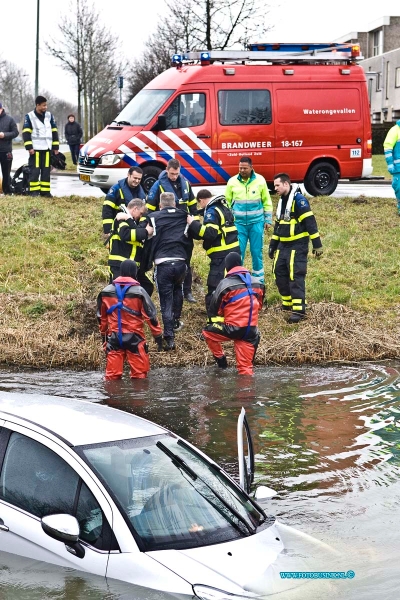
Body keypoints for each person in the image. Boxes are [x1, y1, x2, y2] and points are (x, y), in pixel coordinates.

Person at [268, 173, 323, 324]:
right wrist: (273, 245)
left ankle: (299, 311)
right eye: (275, 186)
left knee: (295, 277)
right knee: (279, 274)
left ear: (286, 184)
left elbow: (310, 221)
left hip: (297, 245)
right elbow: (278, 226)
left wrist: (317, 244)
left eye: (277, 185)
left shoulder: (299, 200)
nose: (275, 188)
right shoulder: (282, 201)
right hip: (282, 245)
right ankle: (287, 305)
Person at [97, 259, 163, 380]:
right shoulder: (140, 292)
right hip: (135, 338)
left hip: (114, 338)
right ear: (134, 272)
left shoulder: (105, 292)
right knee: (139, 376)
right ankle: (137, 398)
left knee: (111, 377)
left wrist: (104, 336)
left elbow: (102, 317)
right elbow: (151, 317)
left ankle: (112, 398)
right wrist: (158, 337)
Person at [202, 252, 264, 376]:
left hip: (232, 329)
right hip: (251, 332)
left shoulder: (225, 284)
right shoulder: (258, 283)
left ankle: (221, 361)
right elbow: (259, 305)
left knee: (207, 332)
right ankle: (247, 393)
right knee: (245, 370)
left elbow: (214, 309)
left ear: (227, 267)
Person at [146, 158, 198, 303]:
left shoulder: (185, 184)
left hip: (183, 226)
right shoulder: (158, 185)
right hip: (166, 227)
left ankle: (187, 291)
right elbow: (150, 208)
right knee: (167, 258)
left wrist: (194, 222)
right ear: (167, 170)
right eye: (172, 174)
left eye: (176, 174)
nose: (174, 177)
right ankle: (165, 286)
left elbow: (192, 204)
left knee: (186, 258)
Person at [150, 192, 193, 351]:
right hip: (181, 263)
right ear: (175, 204)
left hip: (163, 264)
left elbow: (148, 238)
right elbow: (191, 237)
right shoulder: (185, 215)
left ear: (160, 205)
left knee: (165, 301)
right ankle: (175, 321)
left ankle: (169, 337)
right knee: (178, 291)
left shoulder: (154, 217)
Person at [187, 189, 239, 316]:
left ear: (201, 200)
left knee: (215, 286)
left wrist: (192, 223)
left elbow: (209, 233)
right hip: (232, 252)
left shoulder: (211, 211)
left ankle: (214, 320)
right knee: (231, 284)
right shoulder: (221, 207)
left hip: (221, 255)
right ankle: (231, 312)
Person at [225, 156, 273, 283]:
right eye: (240, 168)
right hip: (238, 225)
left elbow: (267, 201)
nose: (242, 170)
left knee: (256, 253)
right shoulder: (232, 182)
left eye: (245, 168)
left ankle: (258, 283)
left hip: (256, 223)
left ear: (251, 168)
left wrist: (268, 220)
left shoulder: (260, 181)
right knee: (237, 253)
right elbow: (227, 203)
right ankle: (236, 282)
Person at [107, 198, 154, 297]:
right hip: (119, 264)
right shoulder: (121, 218)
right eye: (140, 213)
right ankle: (114, 311)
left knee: (147, 287)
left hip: (131, 265)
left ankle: (136, 309)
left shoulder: (129, 219)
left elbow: (136, 232)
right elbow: (126, 234)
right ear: (135, 209)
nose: (140, 216)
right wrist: (146, 232)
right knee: (117, 292)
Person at [22, 96, 59, 197]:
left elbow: (54, 131)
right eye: (43, 105)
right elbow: (26, 133)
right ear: (37, 105)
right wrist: (29, 147)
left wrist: (55, 147)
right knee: (35, 171)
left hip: (47, 149)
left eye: (46, 105)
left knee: (46, 171)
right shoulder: (29, 116)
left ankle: (45, 192)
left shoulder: (49, 116)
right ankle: (33, 192)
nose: (45, 107)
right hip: (36, 149)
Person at [102, 167, 146, 237]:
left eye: (139, 179)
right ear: (128, 175)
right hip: (118, 227)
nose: (137, 181)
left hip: (133, 228)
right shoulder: (115, 189)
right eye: (135, 178)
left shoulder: (141, 193)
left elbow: (143, 213)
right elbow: (107, 210)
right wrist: (108, 230)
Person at [0, 102, 18, 195]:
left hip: (6, 150)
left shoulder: (10, 120)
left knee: (6, 173)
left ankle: (7, 191)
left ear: (1, 109)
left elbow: (15, 132)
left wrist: (4, 135)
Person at [383, 119, 400, 215]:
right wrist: (390, 164)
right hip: (398, 168)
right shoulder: (395, 130)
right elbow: (388, 147)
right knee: (399, 188)